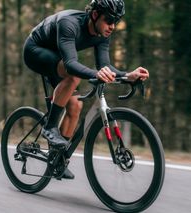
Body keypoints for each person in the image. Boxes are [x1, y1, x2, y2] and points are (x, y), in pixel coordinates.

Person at [23, 0, 149, 179]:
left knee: (75, 107)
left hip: (58, 57)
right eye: (109, 20)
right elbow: (71, 64)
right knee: (72, 76)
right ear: (95, 14)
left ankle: (57, 160)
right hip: (35, 50)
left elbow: (105, 67)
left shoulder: (103, 33)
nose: (112, 26)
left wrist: (128, 75)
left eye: (116, 21)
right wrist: (96, 74)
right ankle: (50, 127)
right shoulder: (69, 24)